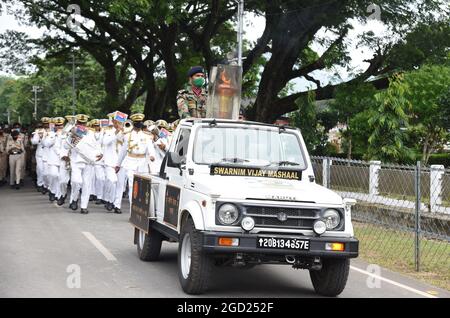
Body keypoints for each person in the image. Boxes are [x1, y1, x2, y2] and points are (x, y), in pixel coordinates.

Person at [115, 113, 155, 213]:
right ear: (133, 123)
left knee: (142, 186)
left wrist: (152, 155)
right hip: (130, 161)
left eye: (139, 122)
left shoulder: (146, 136)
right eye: (136, 123)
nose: (138, 124)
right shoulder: (127, 136)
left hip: (142, 163)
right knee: (132, 186)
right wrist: (118, 164)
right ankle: (133, 209)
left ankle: (141, 208)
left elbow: (151, 148)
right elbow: (123, 151)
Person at [68, 114, 103, 214]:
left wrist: (100, 154)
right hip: (76, 161)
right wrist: (71, 137)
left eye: (84, 123)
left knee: (87, 184)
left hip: (88, 162)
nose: (82, 125)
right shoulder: (72, 132)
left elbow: (97, 145)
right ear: (76, 123)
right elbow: (66, 146)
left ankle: (84, 206)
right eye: (80, 123)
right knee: (76, 181)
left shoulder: (91, 133)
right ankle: (74, 199)